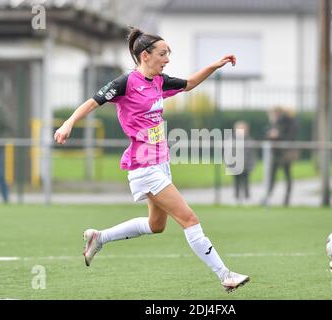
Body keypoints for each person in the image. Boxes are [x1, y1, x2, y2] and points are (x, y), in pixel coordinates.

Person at [54, 27, 250, 292]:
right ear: (145, 55)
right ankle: (225, 275)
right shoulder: (125, 83)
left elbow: (189, 84)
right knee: (189, 219)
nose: (167, 59)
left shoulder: (158, 80)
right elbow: (92, 102)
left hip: (160, 162)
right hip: (143, 164)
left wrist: (214, 66)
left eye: (168, 53)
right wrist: (68, 124)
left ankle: (99, 237)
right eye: (162, 54)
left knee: (156, 225)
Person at [262, 107, 298, 206]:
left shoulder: (286, 122)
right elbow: (268, 137)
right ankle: (267, 197)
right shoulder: (274, 124)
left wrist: (278, 135)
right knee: (273, 176)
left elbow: (290, 136)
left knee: (286, 176)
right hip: (275, 153)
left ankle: (286, 199)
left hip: (285, 154)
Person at [230, 120, 256, 203]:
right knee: (236, 182)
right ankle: (236, 198)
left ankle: (247, 198)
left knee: (246, 182)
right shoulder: (231, 140)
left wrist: (251, 166)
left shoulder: (250, 140)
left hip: (246, 166)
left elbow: (252, 156)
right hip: (236, 166)